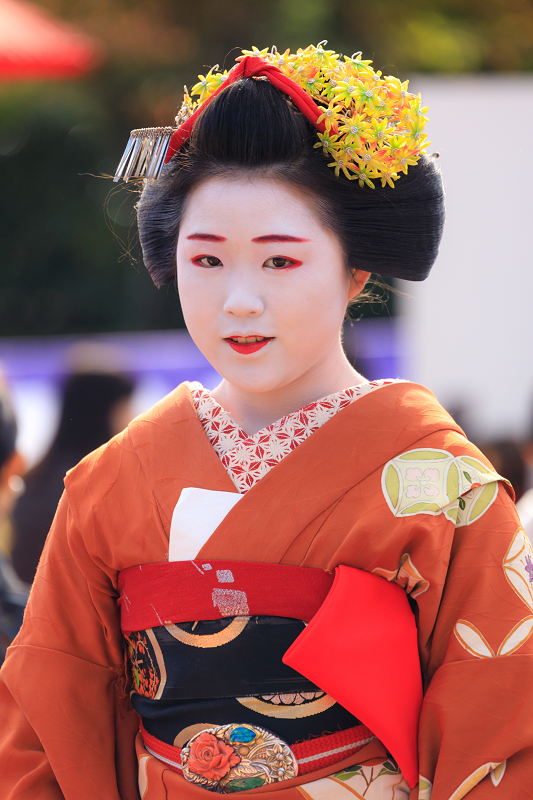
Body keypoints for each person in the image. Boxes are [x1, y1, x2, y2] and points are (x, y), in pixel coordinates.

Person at [0, 44, 531, 800]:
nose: (238, 301)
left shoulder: (444, 484)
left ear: (356, 268)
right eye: (206, 260)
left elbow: (502, 724)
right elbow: (46, 718)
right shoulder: (113, 479)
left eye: (279, 262)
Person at [11, 370, 135, 583]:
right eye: (126, 407)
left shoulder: (32, 481)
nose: (134, 418)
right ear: (103, 412)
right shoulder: (105, 485)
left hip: (26, 608)